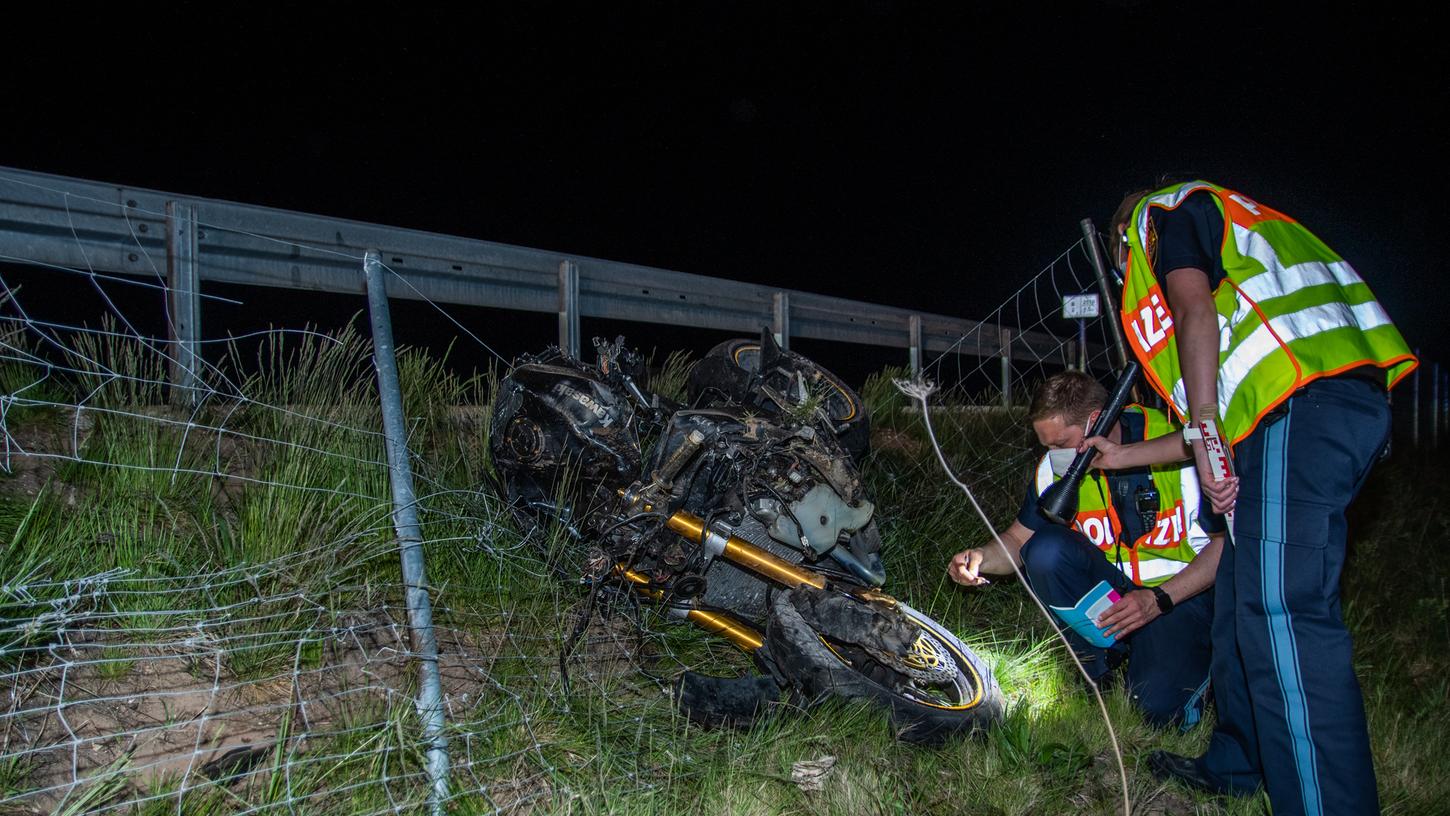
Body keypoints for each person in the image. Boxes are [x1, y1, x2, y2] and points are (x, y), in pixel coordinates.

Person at [1086, 179, 1417, 816]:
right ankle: (1239, 762)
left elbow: (1191, 311)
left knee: (1280, 609)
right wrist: (1129, 453)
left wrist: (1206, 424)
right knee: (1239, 595)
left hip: (1302, 403)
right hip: (1295, 405)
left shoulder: (1166, 215)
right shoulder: (1237, 230)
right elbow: (1210, 398)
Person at [948, 370, 1222, 729]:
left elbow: (1224, 550)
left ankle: (1193, 665)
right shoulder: (1055, 468)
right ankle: (1098, 660)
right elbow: (1018, 540)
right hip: (1116, 596)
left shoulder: (1178, 449)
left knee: (1154, 713)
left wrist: (1157, 600)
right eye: (1045, 445)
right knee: (1044, 551)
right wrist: (980, 558)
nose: (1051, 455)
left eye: (1059, 443)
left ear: (1097, 420)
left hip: (1178, 597)